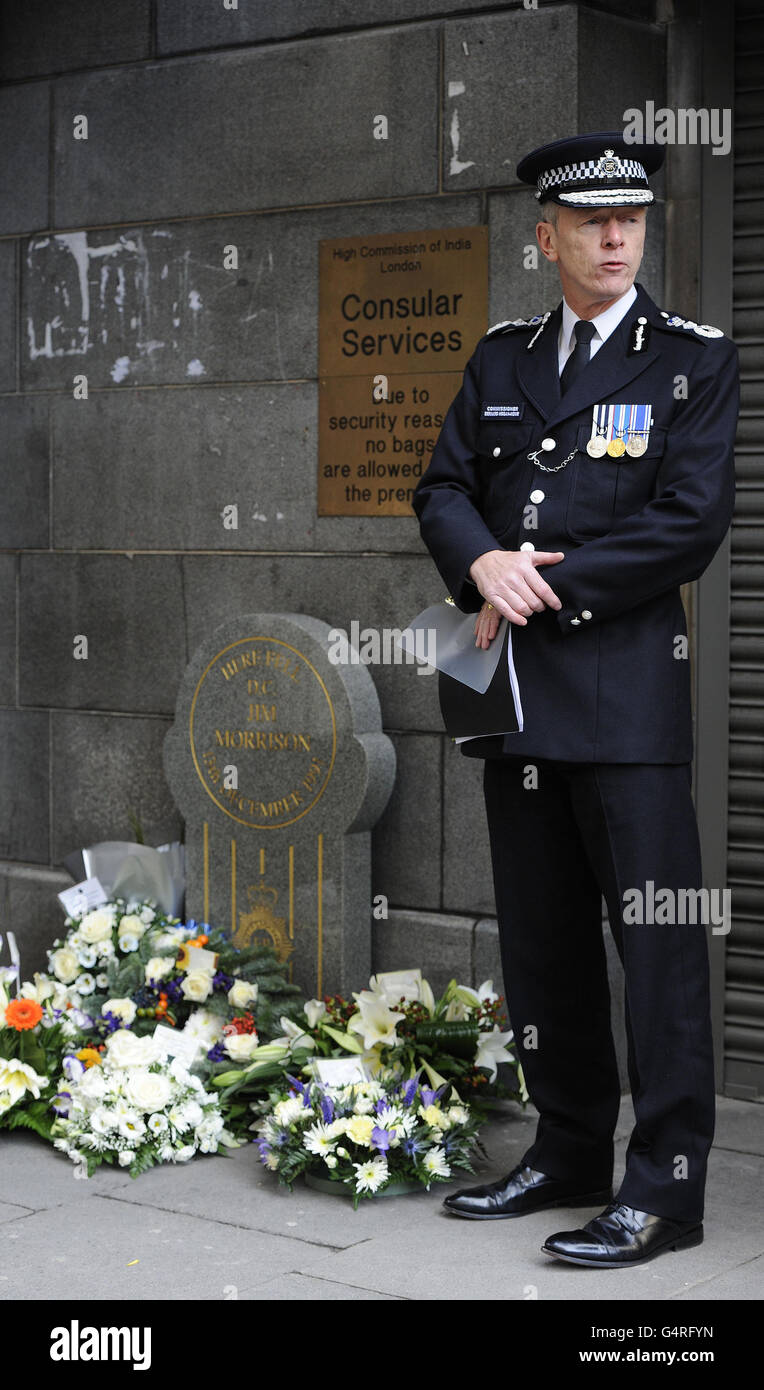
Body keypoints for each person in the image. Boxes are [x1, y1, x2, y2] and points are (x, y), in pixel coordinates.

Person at [410, 132, 740, 1268]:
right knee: (542, 943)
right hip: (517, 704)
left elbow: (685, 526)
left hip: (629, 706)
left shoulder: (692, 357)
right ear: (542, 235)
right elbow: (443, 483)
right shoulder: (502, 358)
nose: (614, 238)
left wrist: (530, 577)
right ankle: (564, 1150)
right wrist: (475, 562)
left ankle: (666, 1187)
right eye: (591, 222)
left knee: (655, 951)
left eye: (631, 221)